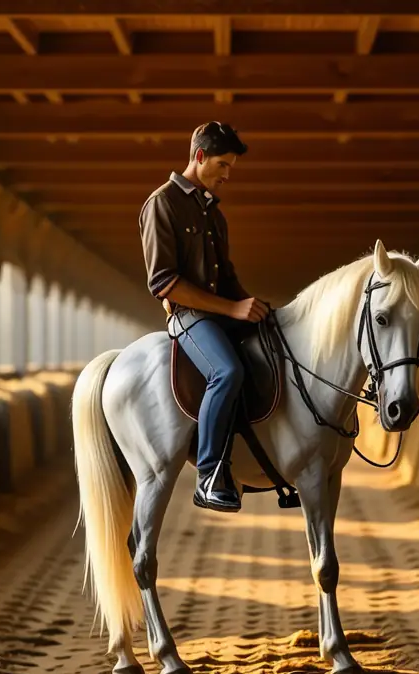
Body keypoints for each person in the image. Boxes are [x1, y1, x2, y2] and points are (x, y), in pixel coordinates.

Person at [139, 121, 270, 514]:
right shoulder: (161, 203)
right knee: (227, 372)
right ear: (199, 157)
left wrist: (256, 308)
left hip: (218, 313)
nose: (228, 175)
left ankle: (274, 460)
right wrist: (232, 309)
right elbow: (163, 282)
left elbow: (227, 279)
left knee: (277, 348)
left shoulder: (214, 214)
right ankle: (211, 474)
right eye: (224, 165)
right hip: (189, 318)